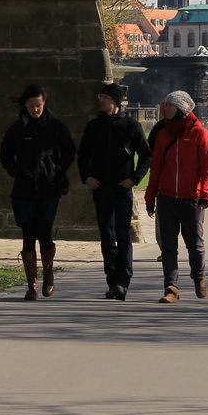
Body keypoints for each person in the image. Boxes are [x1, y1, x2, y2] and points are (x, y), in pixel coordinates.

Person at [0, 83, 76, 300]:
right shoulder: (17, 129)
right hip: (24, 189)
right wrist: (16, 171)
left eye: (39, 105)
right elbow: (5, 154)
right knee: (28, 234)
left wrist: (58, 169)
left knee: (44, 229)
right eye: (32, 106)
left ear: (44, 103)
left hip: (49, 188)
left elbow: (69, 149)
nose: (36, 109)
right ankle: (32, 284)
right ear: (25, 105)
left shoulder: (55, 126)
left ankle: (48, 273)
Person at [77, 82, 151, 301]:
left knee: (122, 235)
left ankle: (123, 281)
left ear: (116, 102)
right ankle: (112, 280)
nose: (101, 100)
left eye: (105, 97)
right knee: (107, 237)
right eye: (100, 96)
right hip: (100, 188)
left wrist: (134, 178)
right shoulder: (93, 127)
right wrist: (87, 177)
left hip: (122, 189)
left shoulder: (131, 125)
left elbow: (146, 155)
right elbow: (82, 155)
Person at [144, 90, 208, 303]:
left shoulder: (198, 133)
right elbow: (155, 168)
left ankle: (198, 275)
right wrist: (150, 198)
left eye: (169, 106)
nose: (164, 109)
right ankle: (171, 287)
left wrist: (205, 195)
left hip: (191, 198)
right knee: (168, 245)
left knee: (194, 243)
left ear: (181, 109)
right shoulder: (163, 133)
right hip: (166, 197)